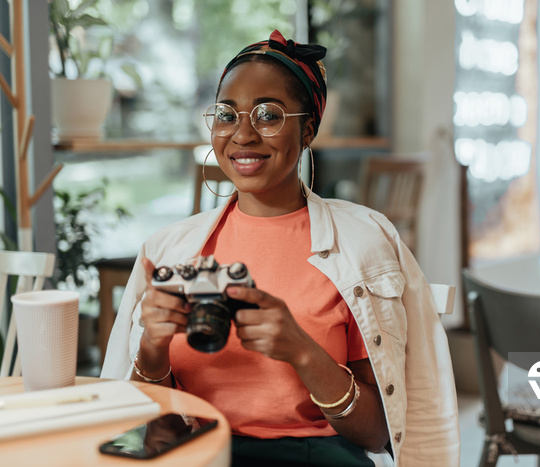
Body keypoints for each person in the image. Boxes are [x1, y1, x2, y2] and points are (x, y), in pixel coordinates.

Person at [101, 30, 460, 466]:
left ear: (307, 129)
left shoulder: (362, 244)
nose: (243, 134)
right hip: (199, 453)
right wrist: (153, 350)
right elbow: (143, 427)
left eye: (269, 115)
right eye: (227, 115)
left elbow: (375, 433)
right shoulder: (169, 250)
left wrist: (300, 350)